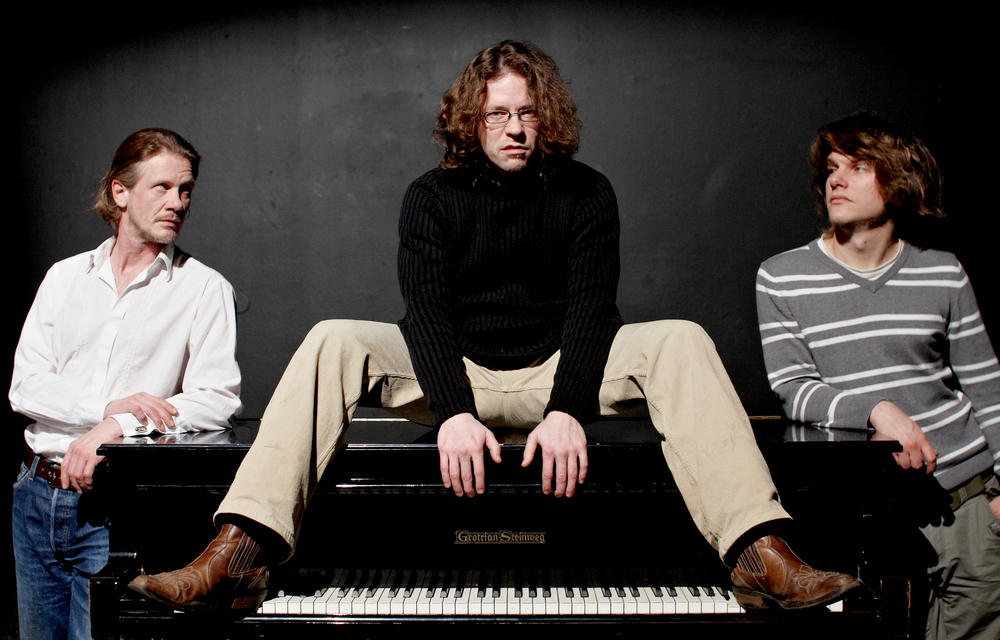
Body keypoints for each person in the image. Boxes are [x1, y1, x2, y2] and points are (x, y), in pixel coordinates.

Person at [129, 40, 857, 613]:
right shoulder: (431, 196)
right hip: (457, 372)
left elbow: (593, 309)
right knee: (332, 338)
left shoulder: (587, 192)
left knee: (682, 337)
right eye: (497, 114)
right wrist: (454, 413)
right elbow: (425, 314)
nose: (513, 128)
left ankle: (760, 553)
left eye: (527, 113)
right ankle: (238, 553)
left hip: (560, 368)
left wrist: (568, 410)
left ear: (547, 117)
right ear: (471, 120)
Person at [756, 112, 1000, 639]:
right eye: (831, 168)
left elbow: (988, 390)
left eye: (858, 167)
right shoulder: (782, 276)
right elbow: (793, 390)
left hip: (966, 502)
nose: (836, 180)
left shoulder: (943, 270)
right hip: (860, 521)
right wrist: (876, 411)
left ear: (900, 180)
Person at [9, 128, 243, 640]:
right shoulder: (64, 278)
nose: (177, 202)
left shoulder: (204, 289)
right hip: (35, 497)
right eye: (162, 187)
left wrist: (117, 426)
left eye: (185, 190)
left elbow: (216, 401)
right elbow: (25, 386)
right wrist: (107, 407)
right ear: (120, 191)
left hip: (118, 504)